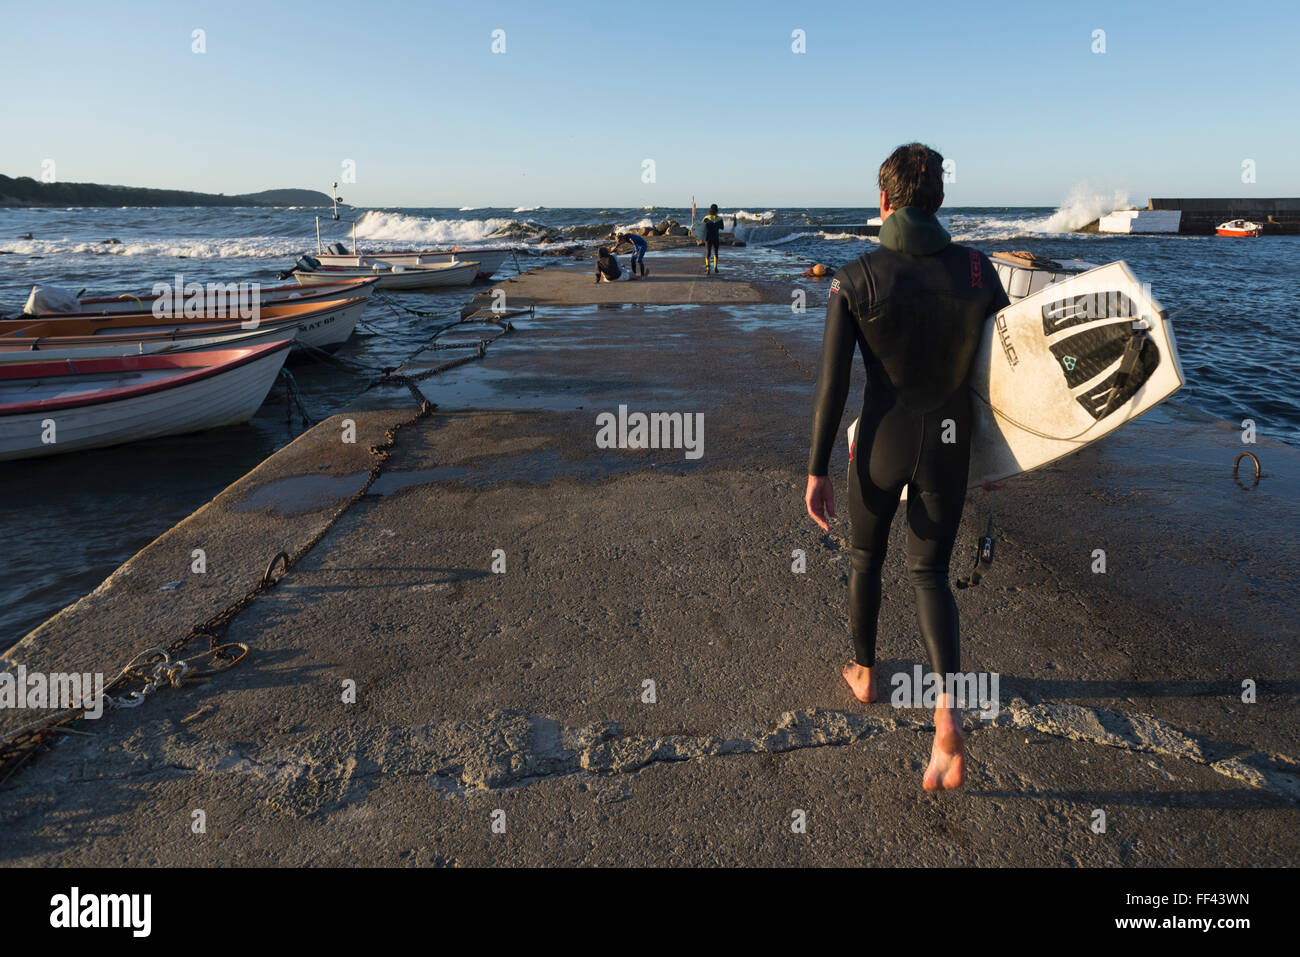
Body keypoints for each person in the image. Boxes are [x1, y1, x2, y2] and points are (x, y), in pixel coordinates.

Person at [804, 143, 1010, 791]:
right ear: (939, 201)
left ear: (884, 201)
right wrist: (999, 456)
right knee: (930, 574)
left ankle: (864, 673)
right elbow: (1005, 376)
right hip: (949, 446)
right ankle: (947, 715)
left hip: (882, 445)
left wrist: (816, 469)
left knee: (866, 558)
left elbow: (834, 386)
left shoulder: (855, 276)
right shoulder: (980, 272)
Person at [701, 204, 724, 274]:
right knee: (716, 253)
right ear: (717, 210)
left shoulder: (706, 218)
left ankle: (708, 269)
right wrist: (716, 225)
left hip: (708, 238)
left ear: (710, 210)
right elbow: (722, 228)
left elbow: (701, 228)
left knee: (708, 253)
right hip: (716, 237)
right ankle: (715, 268)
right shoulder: (720, 219)